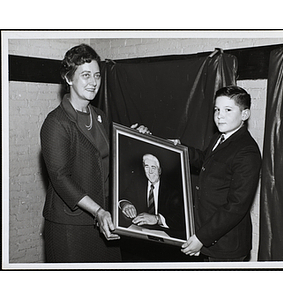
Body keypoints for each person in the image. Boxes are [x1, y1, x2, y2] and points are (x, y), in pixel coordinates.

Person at [41, 44, 149, 263]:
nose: (93, 82)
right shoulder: (56, 123)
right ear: (69, 78)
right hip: (70, 226)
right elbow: (60, 178)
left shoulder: (98, 115)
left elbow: (105, 157)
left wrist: (132, 137)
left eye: (97, 76)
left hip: (103, 220)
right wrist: (98, 211)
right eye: (86, 75)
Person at [180, 85, 261, 262]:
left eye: (228, 110)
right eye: (217, 109)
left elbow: (236, 206)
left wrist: (201, 238)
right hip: (209, 235)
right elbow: (206, 160)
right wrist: (179, 148)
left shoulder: (247, 151)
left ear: (245, 115)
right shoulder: (221, 136)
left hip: (225, 246)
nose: (219, 115)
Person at [119, 154, 187, 262]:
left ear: (160, 170)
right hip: (142, 240)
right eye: (147, 167)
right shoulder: (138, 182)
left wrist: (157, 219)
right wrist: (126, 204)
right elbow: (124, 197)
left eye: (153, 167)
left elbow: (180, 218)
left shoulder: (173, 189)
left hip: (168, 246)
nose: (150, 172)